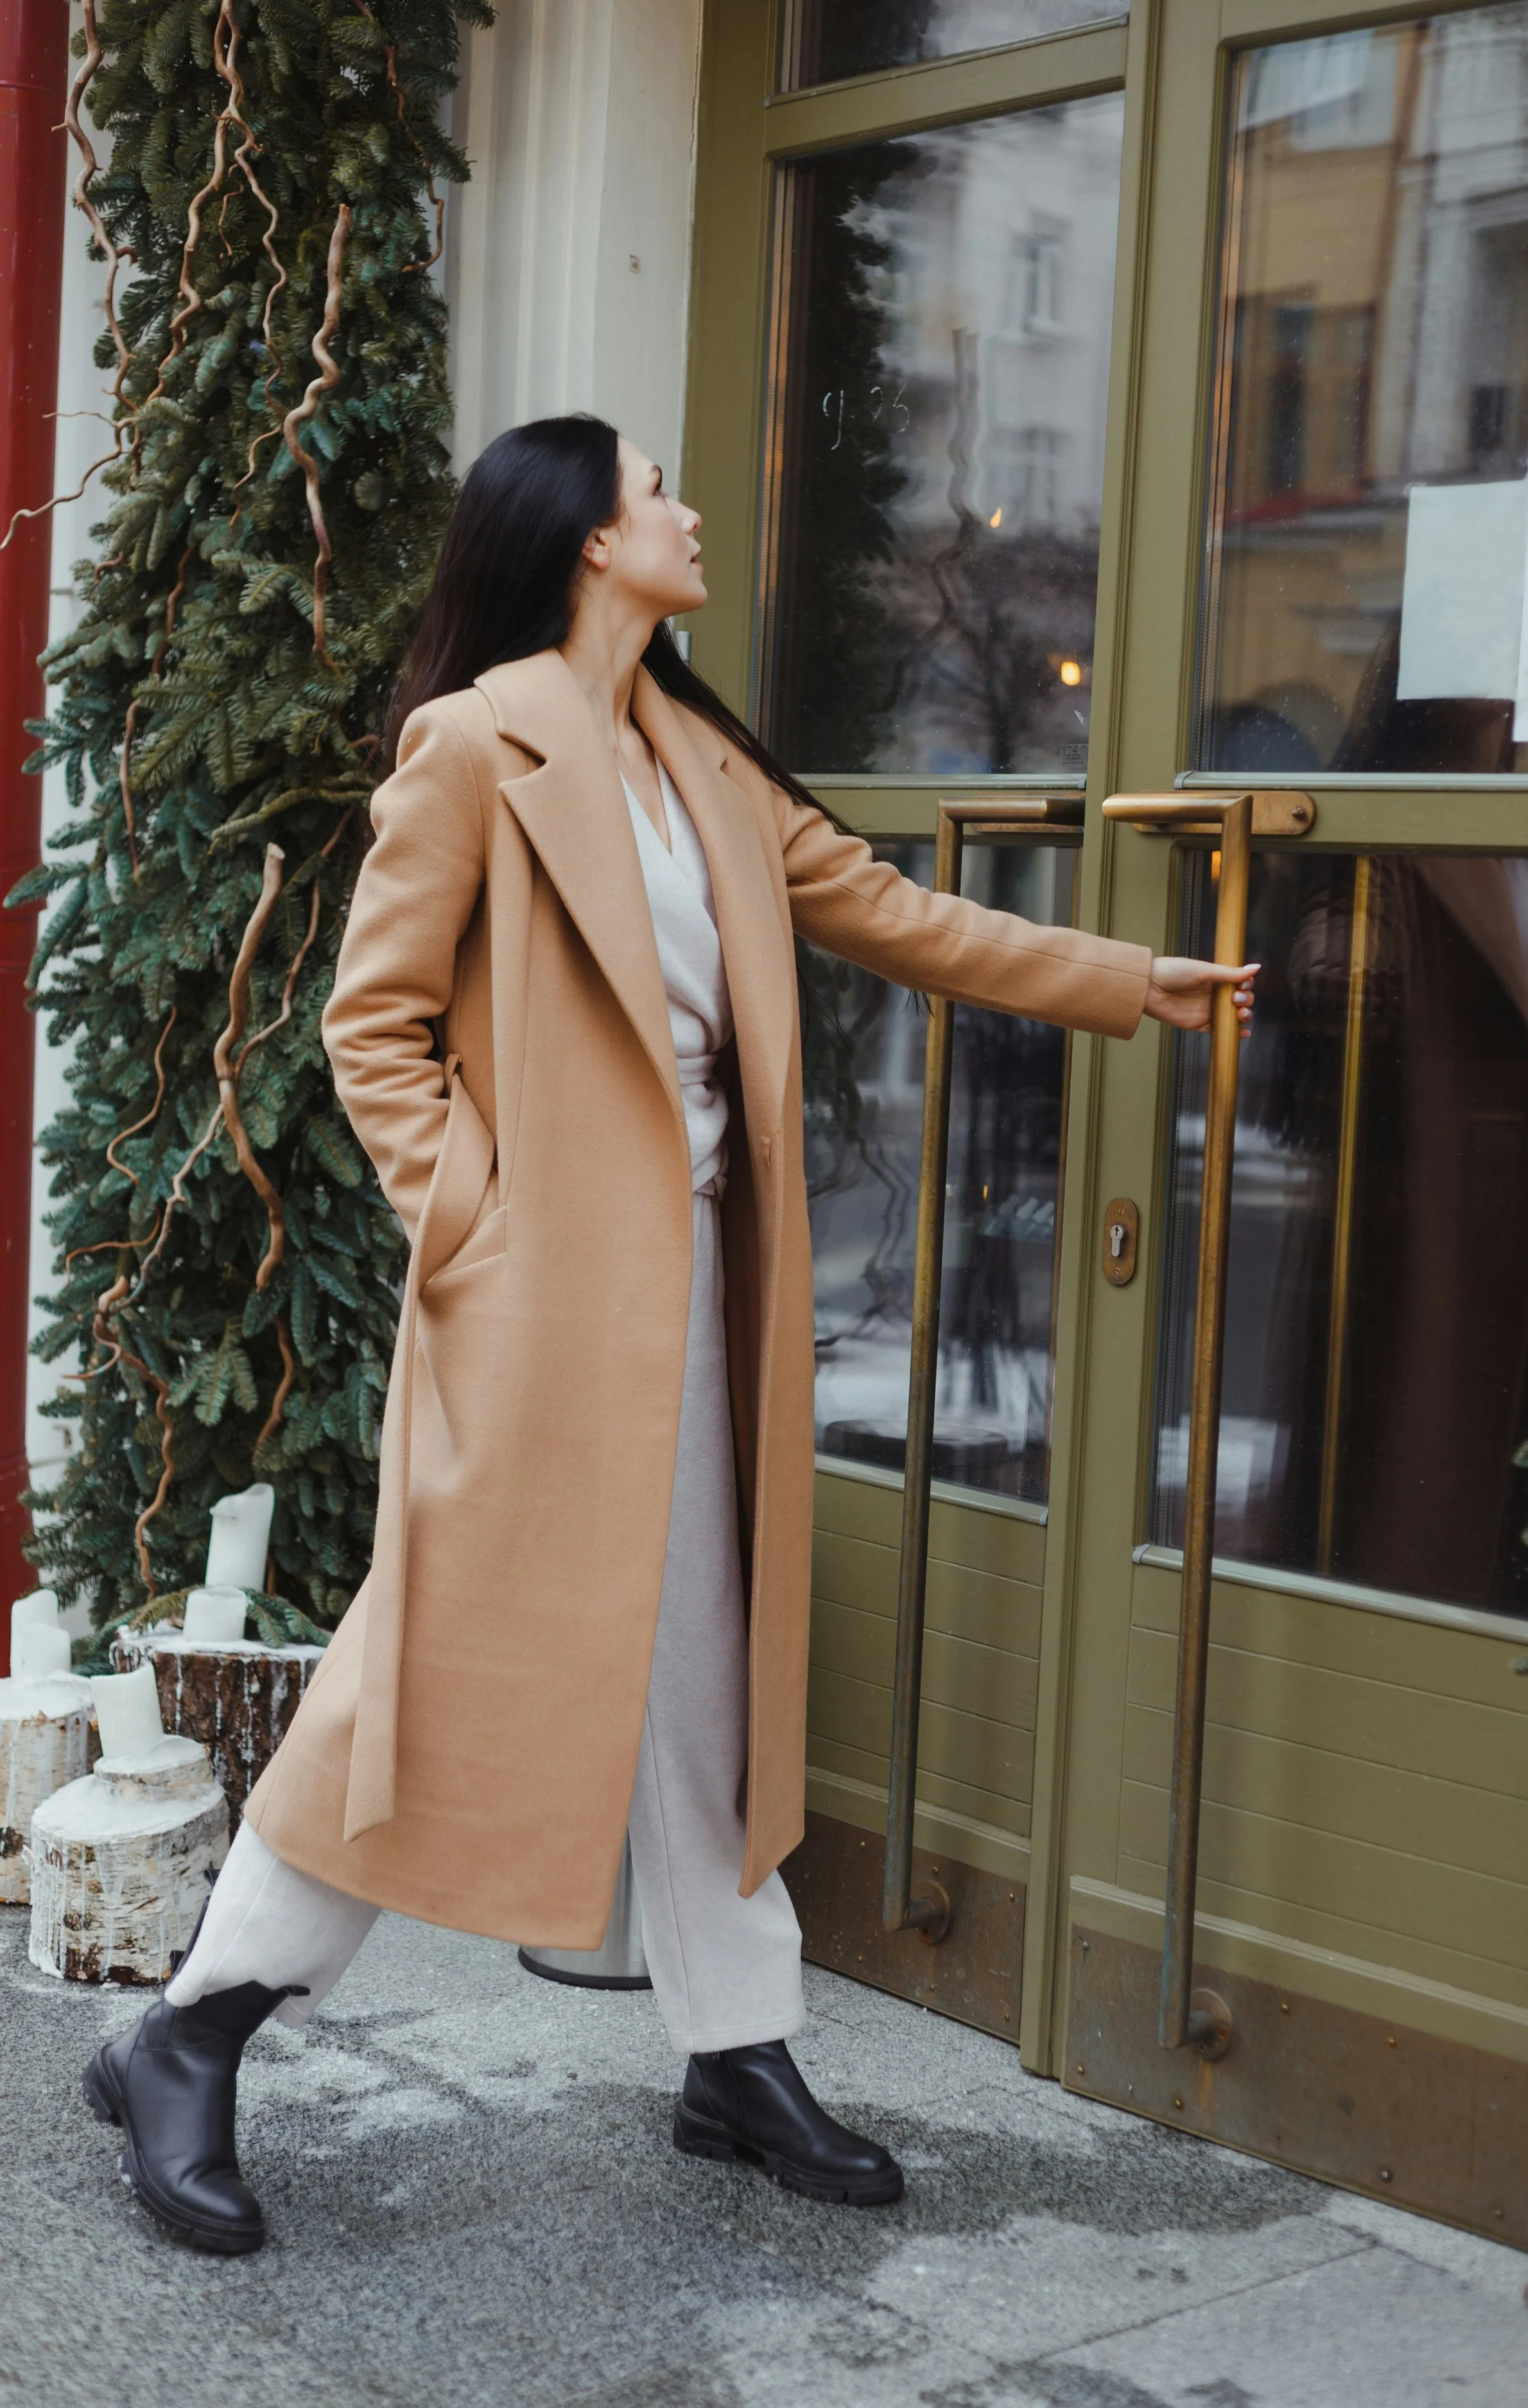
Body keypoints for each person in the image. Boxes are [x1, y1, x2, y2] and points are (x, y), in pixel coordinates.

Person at [82, 415, 1258, 2255]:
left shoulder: (698, 756)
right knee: (421, 1672)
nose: (691, 509)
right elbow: (368, 1024)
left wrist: (1126, 981)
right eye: (656, 487)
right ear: (578, 539)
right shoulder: (476, 744)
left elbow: (886, 910)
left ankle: (736, 2045)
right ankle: (196, 2026)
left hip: (708, 1296)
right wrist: (476, 1224)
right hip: (535, 1306)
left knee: (707, 1677)